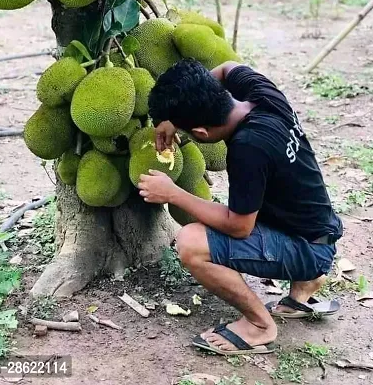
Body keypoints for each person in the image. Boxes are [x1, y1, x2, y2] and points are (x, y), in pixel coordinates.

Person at [138, 59, 343, 356]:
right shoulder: (264, 95)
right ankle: (304, 287)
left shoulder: (248, 149)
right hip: (317, 230)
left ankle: (260, 326)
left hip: (309, 248)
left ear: (201, 133)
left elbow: (239, 226)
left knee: (191, 242)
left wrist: (173, 194)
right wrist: (176, 114)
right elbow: (226, 68)